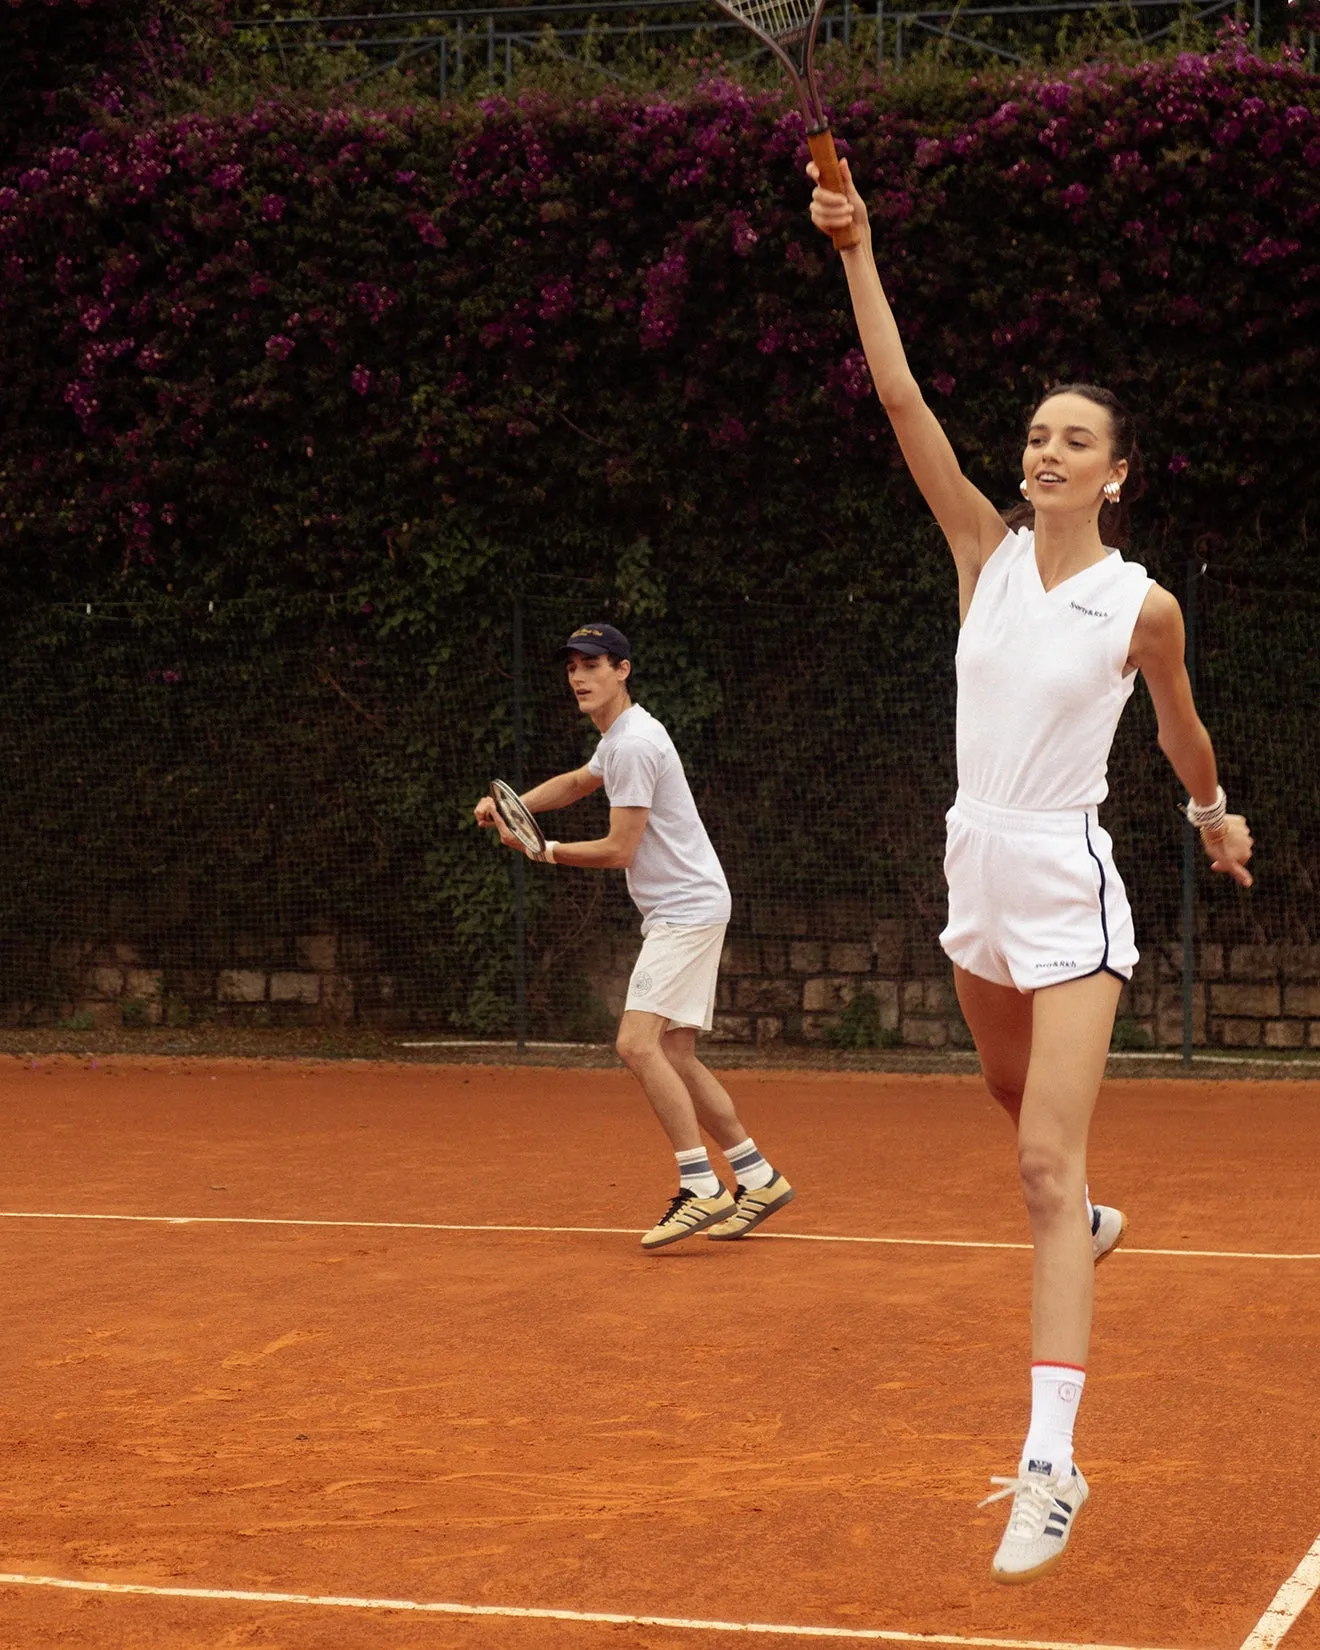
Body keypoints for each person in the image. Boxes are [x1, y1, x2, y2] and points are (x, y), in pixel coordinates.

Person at [808, 162, 1253, 1583]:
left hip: (1071, 886)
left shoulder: (1144, 603)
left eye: (1078, 441)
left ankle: (1052, 1461)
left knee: (1046, 1170)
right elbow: (899, 406)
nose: (1048, 451)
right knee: (1015, 1117)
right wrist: (858, 250)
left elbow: (1178, 729)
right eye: (1039, 436)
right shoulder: (981, 555)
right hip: (974, 875)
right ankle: (1090, 1217)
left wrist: (1212, 812)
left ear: (1119, 472)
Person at [475, 621, 795, 1250]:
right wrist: (516, 805)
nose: (578, 677)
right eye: (571, 667)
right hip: (689, 905)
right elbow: (576, 782)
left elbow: (621, 850)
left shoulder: (635, 745)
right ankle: (757, 1178)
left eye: (592, 664)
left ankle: (700, 1184)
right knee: (674, 1054)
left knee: (636, 1044)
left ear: (623, 670)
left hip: (685, 909)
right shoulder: (622, 737)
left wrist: (542, 851)